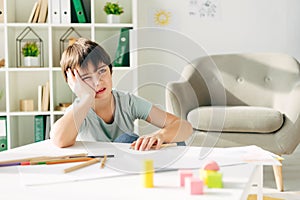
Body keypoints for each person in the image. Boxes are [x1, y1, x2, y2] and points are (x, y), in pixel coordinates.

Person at [50, 38, 193, 151]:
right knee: (126, 139)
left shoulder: (127, 102)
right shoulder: (79, 110)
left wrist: (159, 136)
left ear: (110, 70)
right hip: (98, 169)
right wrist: (86, 98)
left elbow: (184, 127)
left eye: (102, 71)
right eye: (86, 78)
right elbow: (59, 140)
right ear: (74, 83)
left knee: (175, 139)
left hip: (129, 166)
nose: (97, 82)